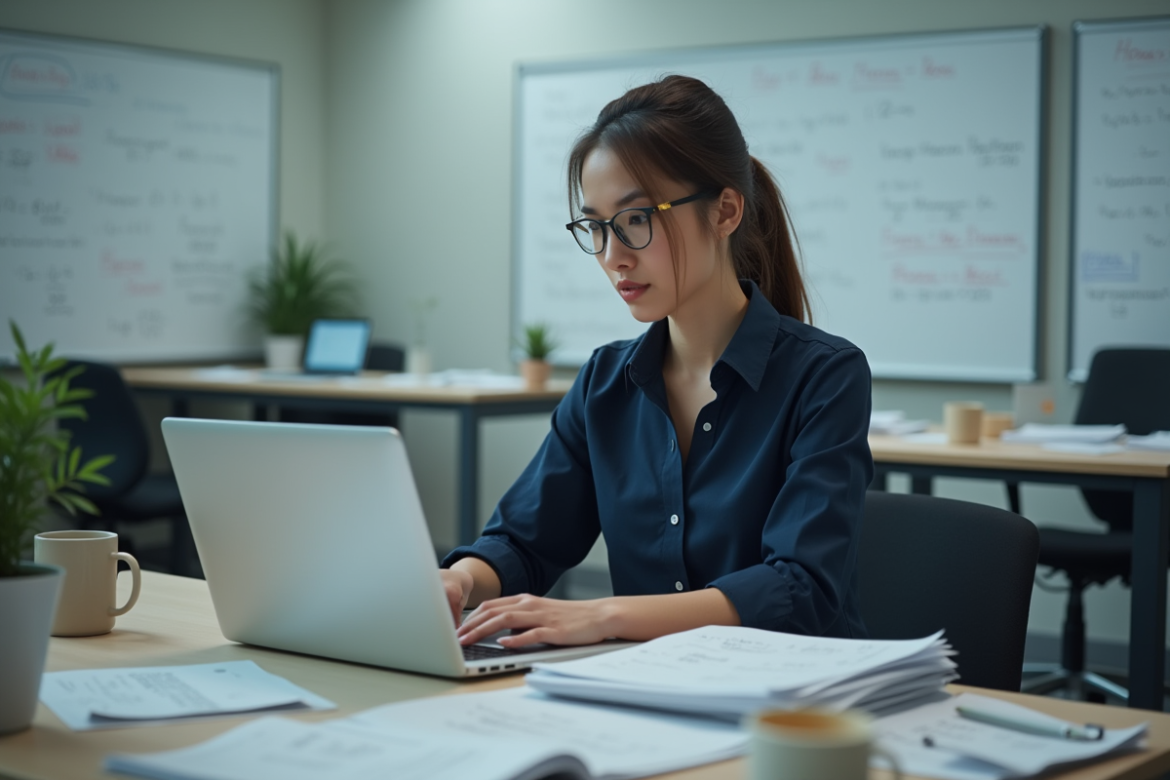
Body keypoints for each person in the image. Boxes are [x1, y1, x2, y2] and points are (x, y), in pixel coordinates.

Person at [441, 74, 872, 650]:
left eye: (636, 219)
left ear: (724, 212)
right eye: (595, 226)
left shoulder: (825, 377)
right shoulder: (604, 383)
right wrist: (458, 580)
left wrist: (606, 616)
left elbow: (798, 588)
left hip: (793, 697)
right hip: (647, 692)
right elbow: (524, 541)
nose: (613, 256)